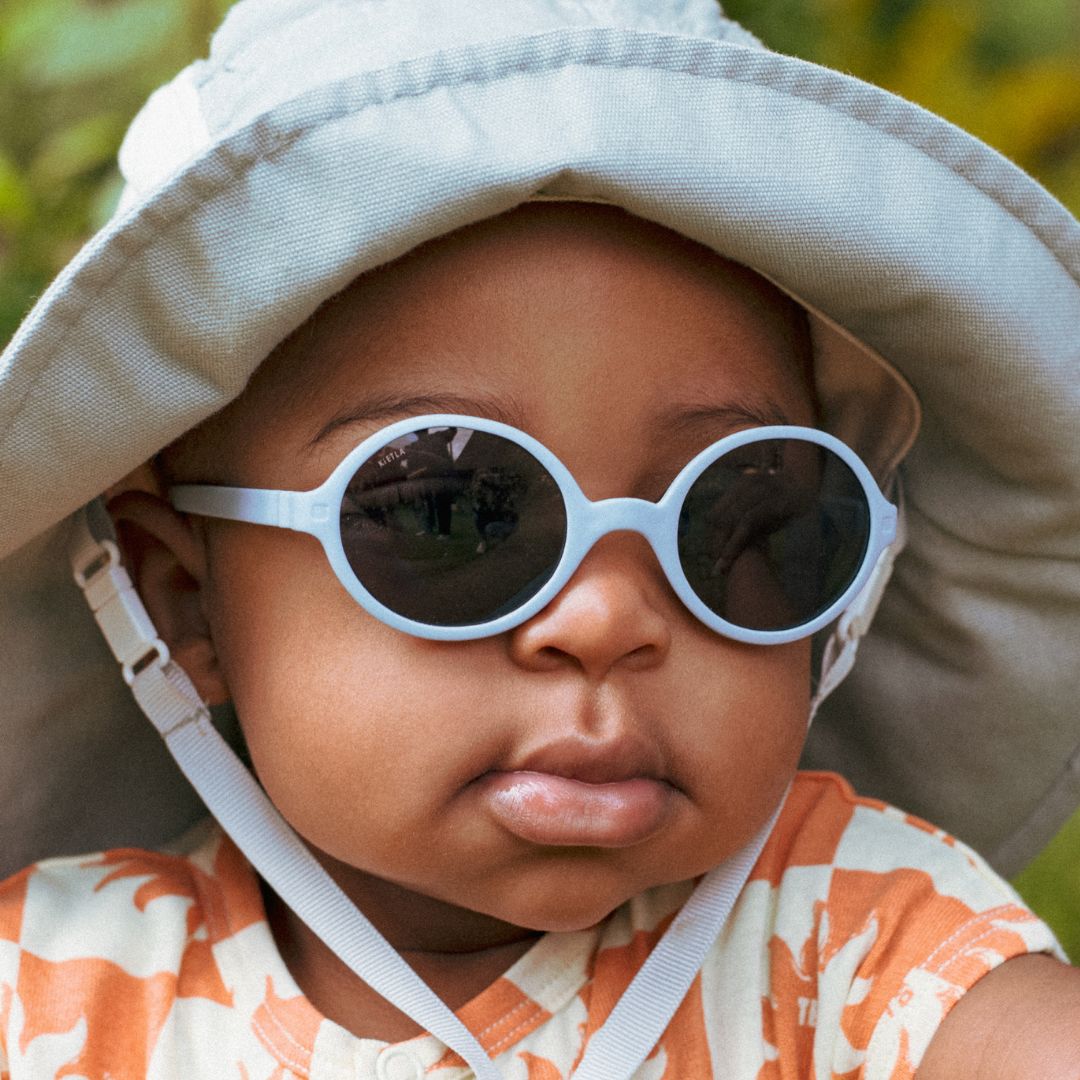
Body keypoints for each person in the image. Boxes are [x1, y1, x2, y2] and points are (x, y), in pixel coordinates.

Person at [1, 2, 1078, 1077]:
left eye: (738, 515)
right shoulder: (50, 991)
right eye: (448, 512)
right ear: (182, 600)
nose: (608, 618)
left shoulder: (857, 946)